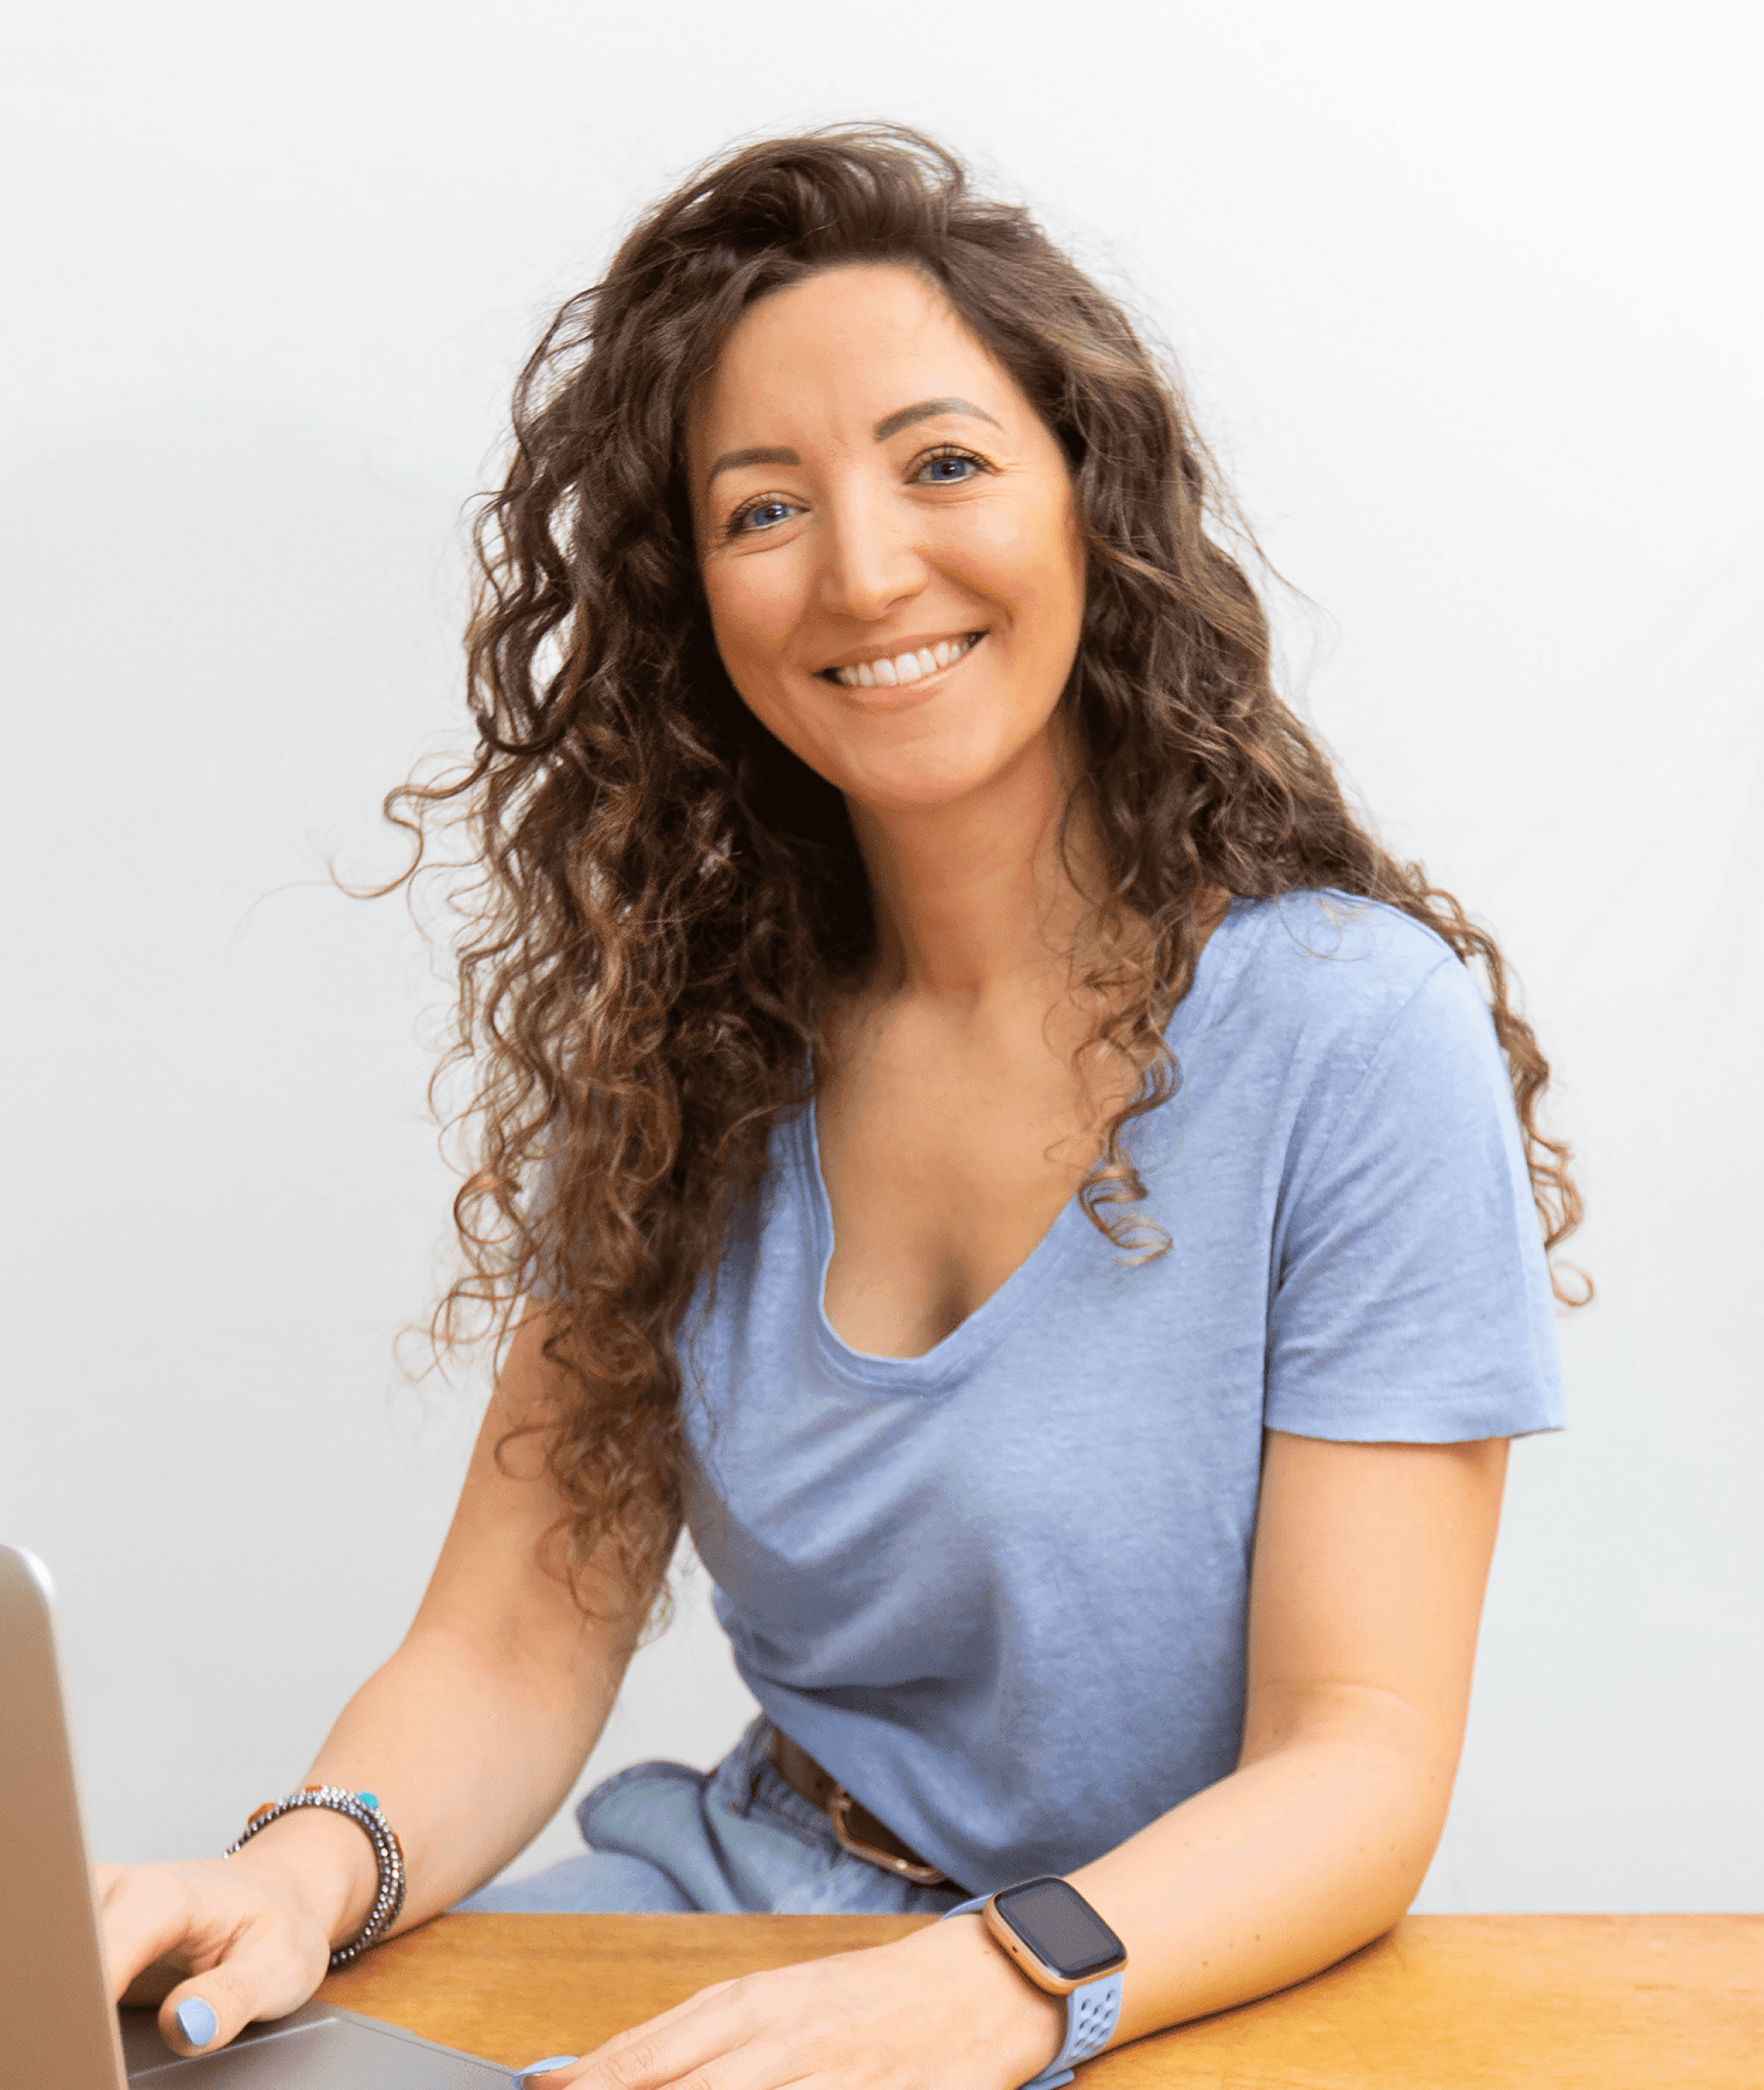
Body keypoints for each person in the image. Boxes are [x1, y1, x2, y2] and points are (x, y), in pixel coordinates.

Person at [91, 126, 1579, 2090]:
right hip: (738, 1919)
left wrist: (985, 1992)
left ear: (1090, 508)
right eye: (762, 507)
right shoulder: (691, 1042)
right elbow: (516, 1641)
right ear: (690, 592)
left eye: (941, 462)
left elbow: (1358, 1760)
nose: (866, 569)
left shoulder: (1345, 1031)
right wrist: (300, 1872)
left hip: (1142, 1988)